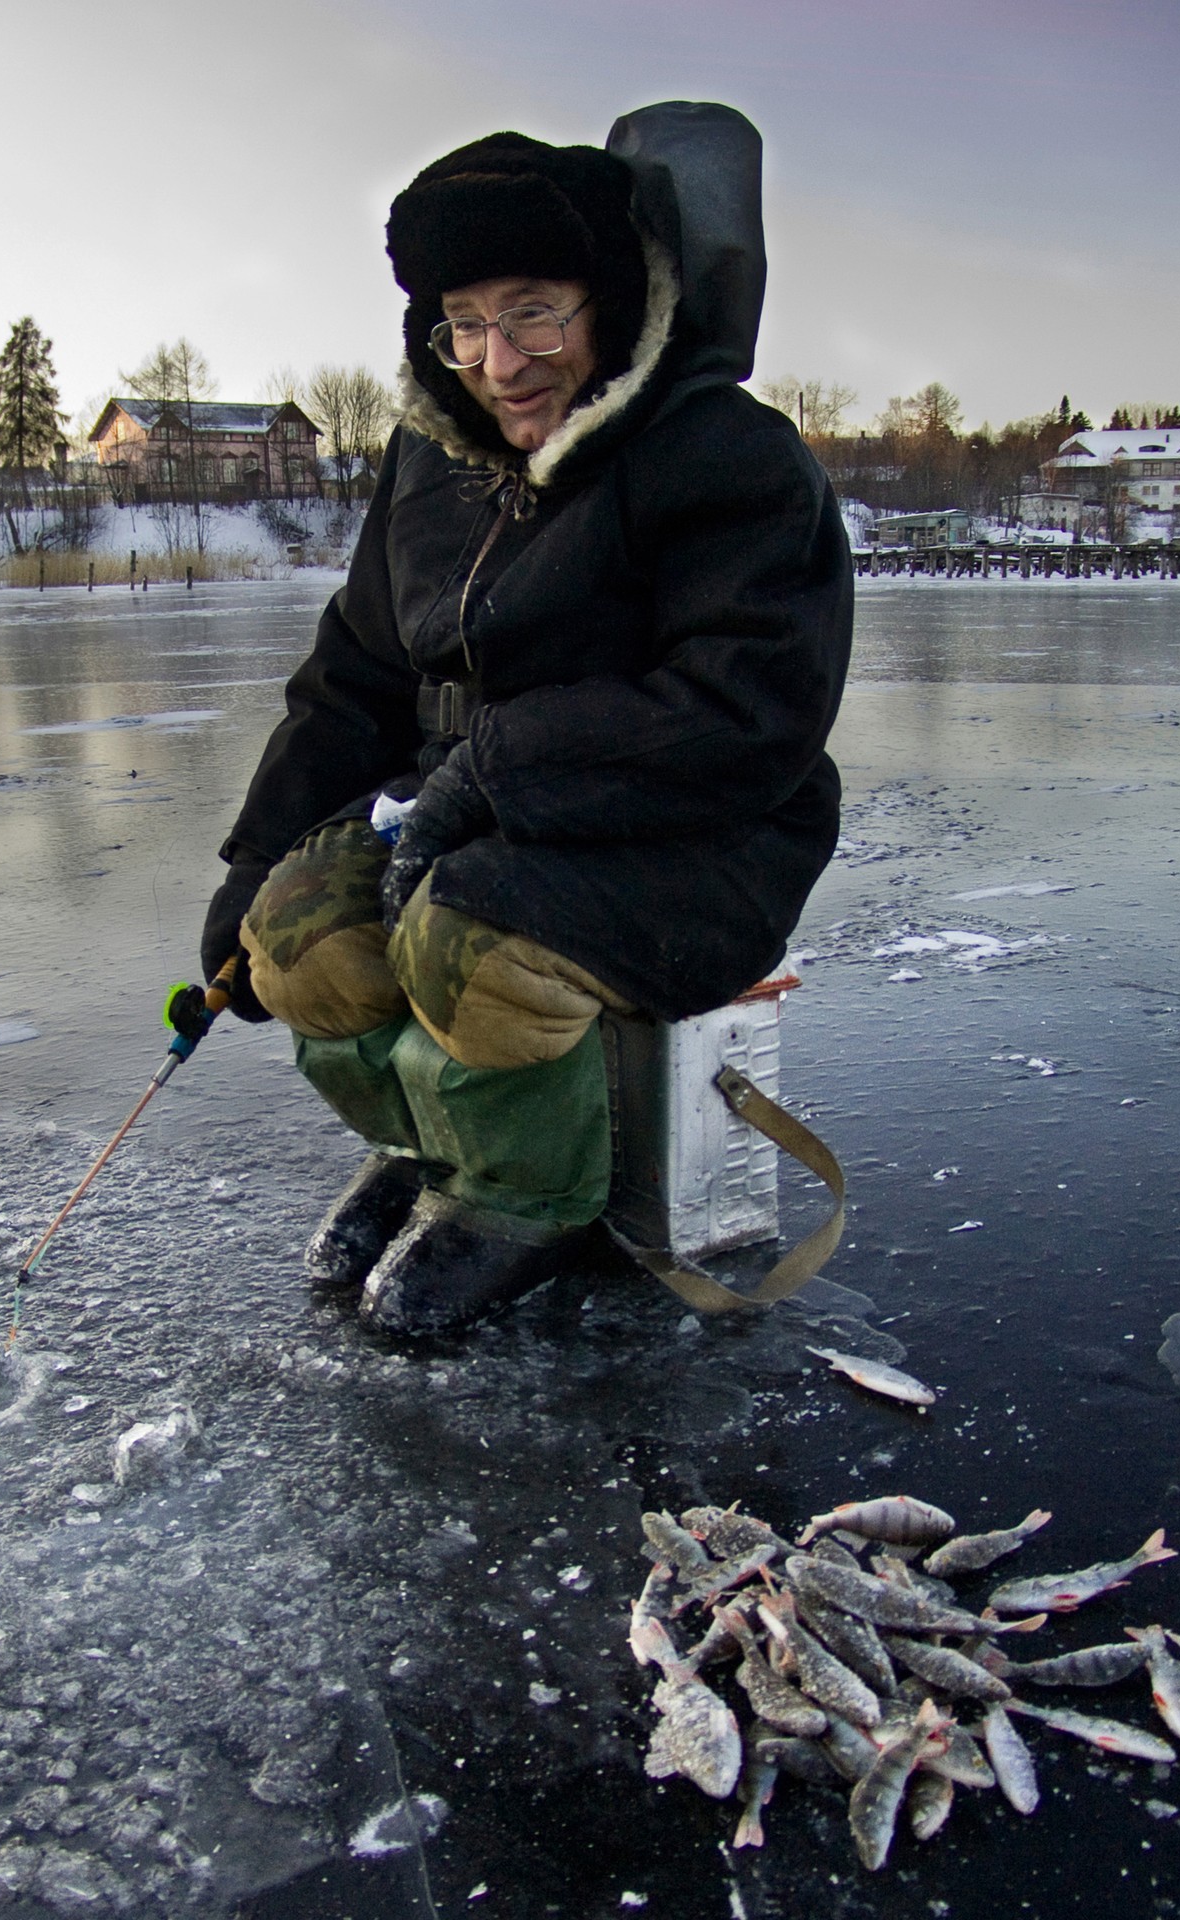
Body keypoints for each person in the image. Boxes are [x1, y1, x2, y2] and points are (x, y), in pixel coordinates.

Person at [189, 101, 853, 1336]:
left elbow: (747, 712)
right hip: (465, 826)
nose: (501, 362)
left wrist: (490, 773)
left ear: (609, 303)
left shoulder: (728, 457)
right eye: (469, 325)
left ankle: (530, 1196)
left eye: (536, 310)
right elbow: (356, 678)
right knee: (297, 937)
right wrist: (251, 859)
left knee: (469, 938)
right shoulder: (428, 462)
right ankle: (434, 1142)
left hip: (694, 841)